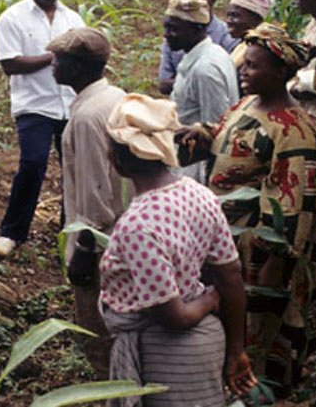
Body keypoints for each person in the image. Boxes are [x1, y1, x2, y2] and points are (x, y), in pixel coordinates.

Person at [176, 24, 316, 391]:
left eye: (253, 67)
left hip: (255, 248)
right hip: (225, 239)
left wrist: (269, 259)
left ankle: (264, 389)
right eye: (244, 65)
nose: (243, 72)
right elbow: (228, 136)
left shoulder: (293, 129)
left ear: (281, 73)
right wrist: (201, 134)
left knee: (260, 323)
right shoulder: (246, 104)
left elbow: (292, 206)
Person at [99, 94, 254, 406]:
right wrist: (236, 349)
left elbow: (175, 316)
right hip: (209, 341)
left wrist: (210, 299)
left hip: (168, 351)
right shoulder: (200, 194)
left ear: (115, 161)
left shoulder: (137, 225)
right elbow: (231, 274)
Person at [0, 0, 85, 258]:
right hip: (34, 105)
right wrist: (55, 55)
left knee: (76, 168)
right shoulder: (13, 18)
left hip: (71, 104)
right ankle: (12, 233)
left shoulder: (74, 19)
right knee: (33, 163)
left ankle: (73, 230)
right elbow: (11, 64)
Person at [46, 27, 127, 378]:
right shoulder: (114, 97)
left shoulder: (86, 116)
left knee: (99, 331)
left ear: (77, 68)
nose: (52, 65)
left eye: (57, 60)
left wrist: (83, 249)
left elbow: (95, 192)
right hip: (122, 231)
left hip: (100, 242)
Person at [163, 0, 239, 182]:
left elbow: (214, 130)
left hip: (196, 169)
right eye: (166, 27)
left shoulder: (204, 70)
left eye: (173, 29)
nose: (166, 35)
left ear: (197, 29)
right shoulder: (211, 53)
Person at [158, 0, 238, 95]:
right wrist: (197, 83)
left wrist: (194, 81)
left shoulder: (228, 37)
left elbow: (226, 83)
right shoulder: (173, 36)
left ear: (212, 0)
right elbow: (163, 84)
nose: (186, 2)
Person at [225, 0, 273, 70]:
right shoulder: (242, 45)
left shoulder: (260, 52)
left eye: (235, 15)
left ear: (255, 18)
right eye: (228, 15)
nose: (228, 21)